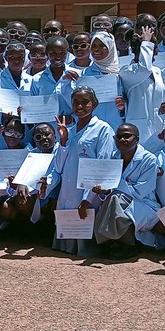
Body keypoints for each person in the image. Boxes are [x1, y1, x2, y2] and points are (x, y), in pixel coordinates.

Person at [50, 86, 115, 256]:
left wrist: (88, 199)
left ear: (94, 104)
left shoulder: (103, 129)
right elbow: (59, 166)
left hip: (88, 190)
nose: (80, 106)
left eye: (85, 102)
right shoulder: (69, 131)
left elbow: (103, 165)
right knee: (66, 240)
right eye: (76, 102)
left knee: (85, 227)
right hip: (68, 188)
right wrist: (63, 141)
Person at [82, 123, 161, 258]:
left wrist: (115, 184)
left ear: (136, 139)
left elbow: (140, 192)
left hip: (145, 204)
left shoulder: (149, 159)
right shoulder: (113, 157)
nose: (122, 140)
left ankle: (125, 244)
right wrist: (105, 191)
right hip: (117, 203)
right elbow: (109, 187)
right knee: (113, 199)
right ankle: (118, 242)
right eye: (118, 137)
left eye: (127, 136)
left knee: (115, 199)